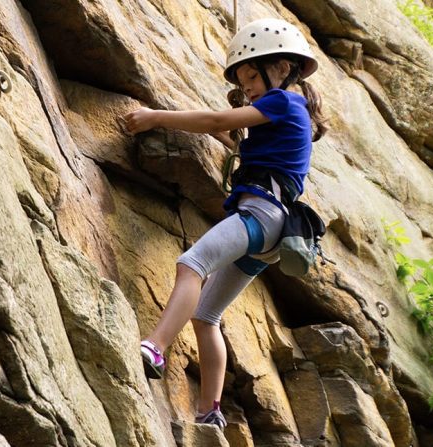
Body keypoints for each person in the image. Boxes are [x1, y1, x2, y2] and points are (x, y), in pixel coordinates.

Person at [122, 18, 327, 428]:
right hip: (272, 233)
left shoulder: (284, 102)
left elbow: (218, 123)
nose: (248, 86)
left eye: (253, 76)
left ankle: (156, 347)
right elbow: (236, 141)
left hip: (260, 214)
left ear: (283, 68)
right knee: (207, 316)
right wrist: (231, 126)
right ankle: (210, 412)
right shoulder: (292, 112)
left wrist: (156, 117)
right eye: (243, 79)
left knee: (191, 265)